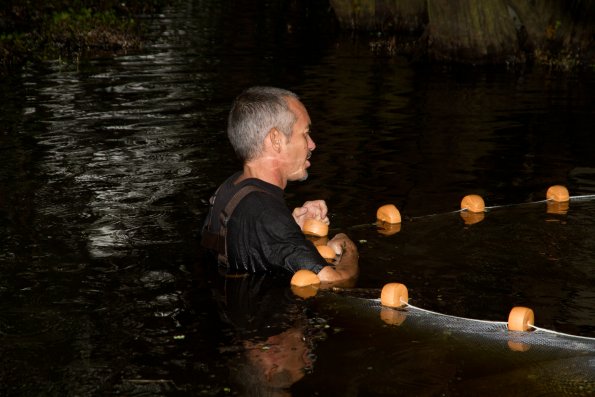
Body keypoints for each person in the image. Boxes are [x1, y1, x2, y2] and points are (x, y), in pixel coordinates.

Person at [201, 86, 358, 284]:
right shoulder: (266, 214)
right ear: (276, 139)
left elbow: (247, 242)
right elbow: (334, 280)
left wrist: (291, 227)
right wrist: (347, 246)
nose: (312, 144)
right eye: (305, 134)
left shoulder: (230, 188)